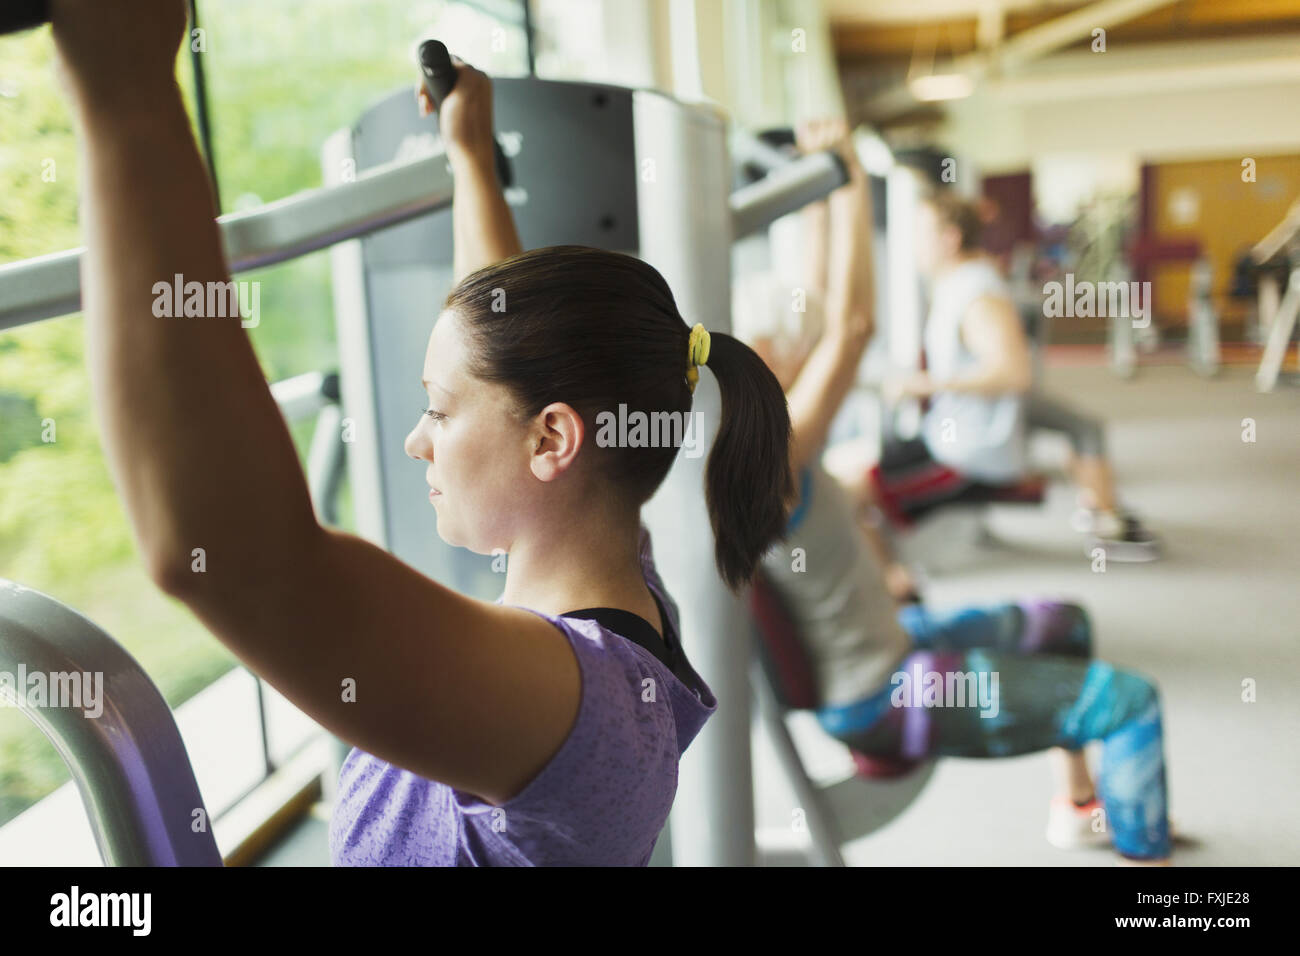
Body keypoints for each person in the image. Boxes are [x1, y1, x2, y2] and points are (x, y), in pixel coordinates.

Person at [49, 0, 795, 866]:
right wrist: (471, 160)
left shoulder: (575, 704)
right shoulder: (622, 592)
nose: (418, 439)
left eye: (438, 411)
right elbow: (511, 351)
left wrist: (128, 94)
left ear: (556, 442)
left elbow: (225, 553)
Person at [735, 119, 1172, 863]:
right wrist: (842, 167)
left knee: (1064, 622)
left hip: (897, 646)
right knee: (1130, 703)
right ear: (768, 363)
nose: (797, 339)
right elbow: (849, 324)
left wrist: (816, 200)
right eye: (782, 341)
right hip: (889, 696)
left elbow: (813, 311)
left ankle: (1077, 805)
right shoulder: (772, 458)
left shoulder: (755, 438)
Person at [825, 189, 1159, 592]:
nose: (913, 243)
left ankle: (894, 593)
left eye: (921, 232)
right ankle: (890, 584)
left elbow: (1015, 374)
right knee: (844, 473)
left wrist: (924, 384)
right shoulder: (957, 284)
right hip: (953, 438)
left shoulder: (976, 294)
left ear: (950, 238)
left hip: (965, 455)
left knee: (844, 491)